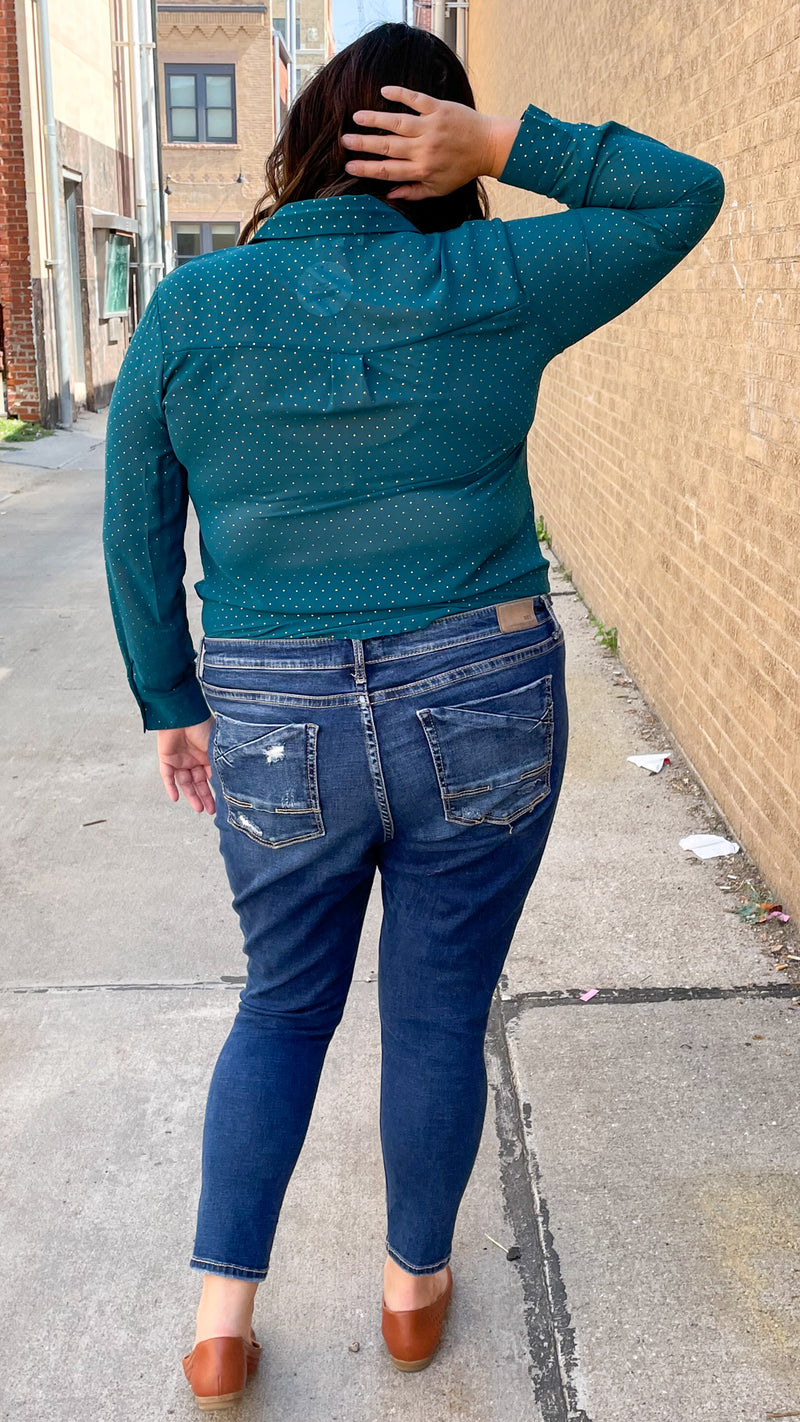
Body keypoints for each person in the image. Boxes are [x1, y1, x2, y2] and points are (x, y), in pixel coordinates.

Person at [102, 20, 724, 1411]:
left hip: (274, 707)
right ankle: (408, 1293)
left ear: (306, 139)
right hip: (481, 689)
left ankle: (220, 1324)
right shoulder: (494, 278)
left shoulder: (193, 307)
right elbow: (683, 193)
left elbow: (136, 521)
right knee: (437, 1013)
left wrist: (170, 700)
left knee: (281, 1004)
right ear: (434, 151)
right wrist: (505, 143)